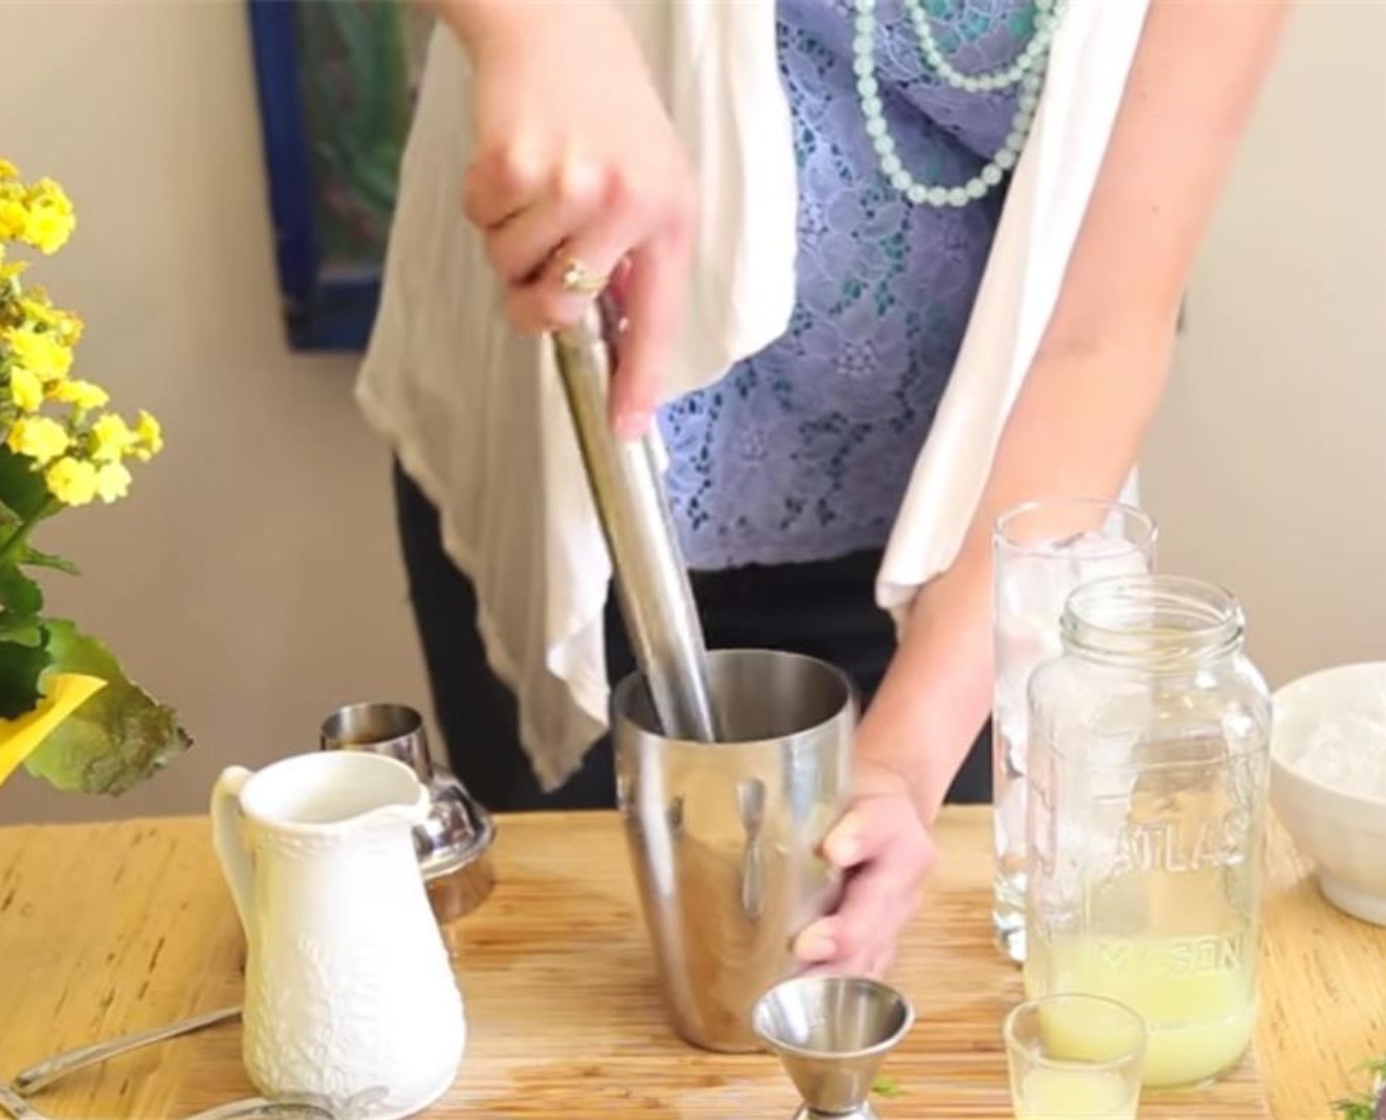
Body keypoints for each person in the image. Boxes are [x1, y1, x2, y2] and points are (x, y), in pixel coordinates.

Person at [357, 0, 1287, 977]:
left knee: (894, 976)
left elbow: (1100, 336)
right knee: (563, 975)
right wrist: (538, 29)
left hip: (955, 565)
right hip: (567, 476)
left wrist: (901, 761)